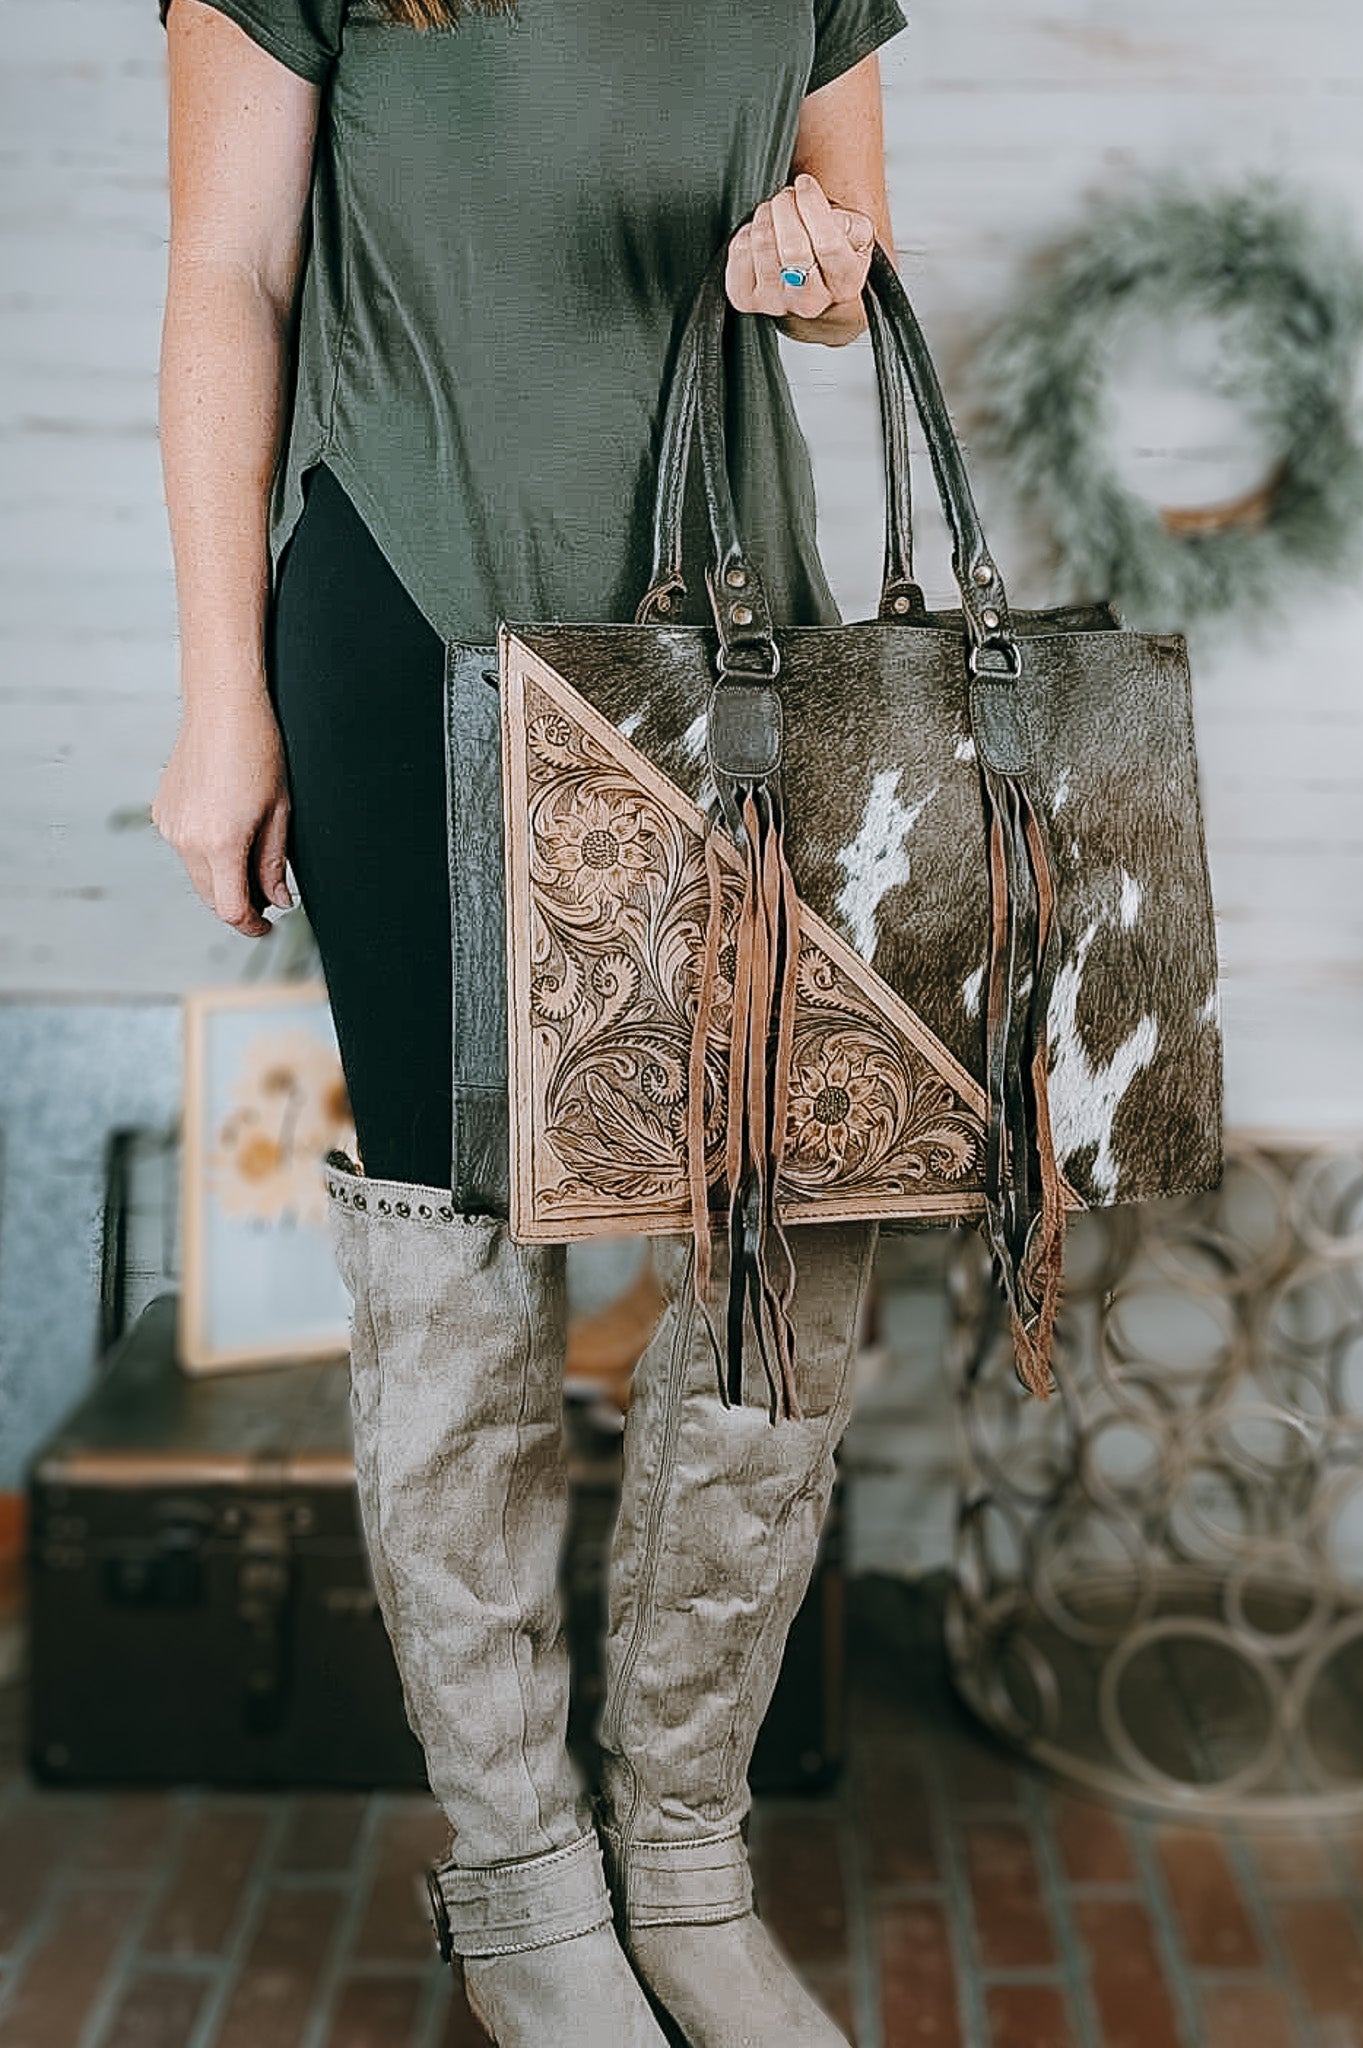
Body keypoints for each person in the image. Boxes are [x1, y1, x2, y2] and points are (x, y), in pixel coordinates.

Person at [151, 2, 905, 2042]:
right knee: (459, 1253)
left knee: (791, 1237)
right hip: (413, 605)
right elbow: (231, 269)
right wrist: (226, 694)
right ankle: (522, 1894)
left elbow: (849, 247)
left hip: (741, 630)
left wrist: (814, 276)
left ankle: (682, 1864)